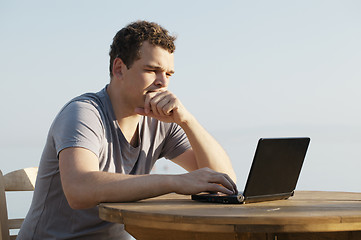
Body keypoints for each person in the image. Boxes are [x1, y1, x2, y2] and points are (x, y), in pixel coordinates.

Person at [18, 20, 237, 239]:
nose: (163, 82)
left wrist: (188, 121)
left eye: (169, 74)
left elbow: (224, 182)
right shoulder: (83, 113)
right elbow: (78, 190)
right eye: (152, 70)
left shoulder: (161, 122)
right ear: (119, 69)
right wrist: (175, 182)